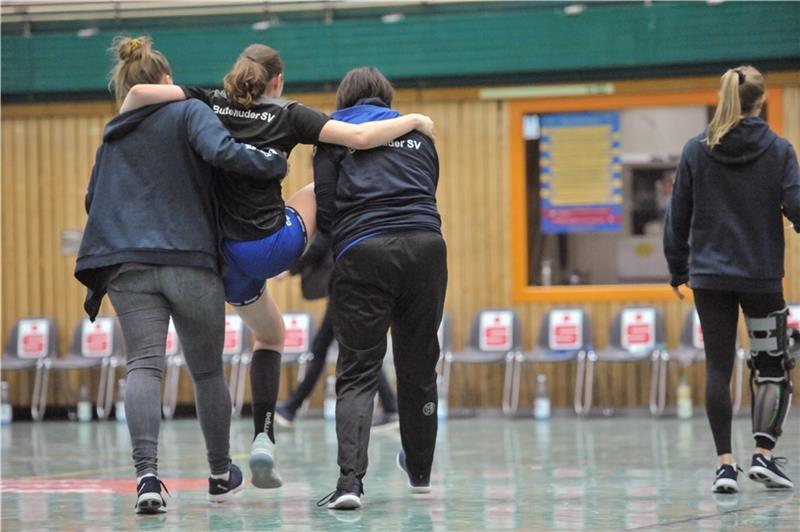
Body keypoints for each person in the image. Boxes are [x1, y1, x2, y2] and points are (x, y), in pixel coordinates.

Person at [119, 43, 434, 490]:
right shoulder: (289, 113)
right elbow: (361, 139)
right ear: (277, 81)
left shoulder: (209, 99)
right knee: (313, 189)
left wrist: (129, 110)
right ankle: (263, 432)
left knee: (268, 332)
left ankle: (263, 437)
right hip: (272, 244)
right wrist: (415, 121)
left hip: (225, 258)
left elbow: (138, 97)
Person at [74, 36, 287, 514]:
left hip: (128, 265)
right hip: (189, 257)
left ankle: (147, 477)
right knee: (207, 369)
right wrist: (271, 162)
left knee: (143, 366)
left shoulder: (114, 132)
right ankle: (219, 473)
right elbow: (225, 153)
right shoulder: (189, 111)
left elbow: (93, 200)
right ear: (167, 81)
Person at [313, 67, 447, 510]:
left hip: (363, 250)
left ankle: (350, 483)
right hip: (427, 248)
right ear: (386, 99)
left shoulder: (333, 133)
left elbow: (328, 212)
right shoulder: (420, 134)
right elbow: (428, 189)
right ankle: (421, 473)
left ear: (344, 99)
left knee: (358, 370)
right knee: (418, 363)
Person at [664, 65, 800, 494]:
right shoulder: (779, 150)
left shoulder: (695, 150)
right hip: (760, 277)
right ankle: (763, 455)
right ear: (761, 100)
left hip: (710, 279)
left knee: (718, 369)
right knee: (772, 365)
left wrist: (677, 269)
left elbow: (677, 217)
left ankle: (725, 465)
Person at [275, 231, 400, 431]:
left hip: (345, 283)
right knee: (344, 348)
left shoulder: (334, 204)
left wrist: (291, 269)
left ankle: (292, 406)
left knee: (340, 348)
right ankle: (391, 406)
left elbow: (321, 242)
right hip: (351, 281)